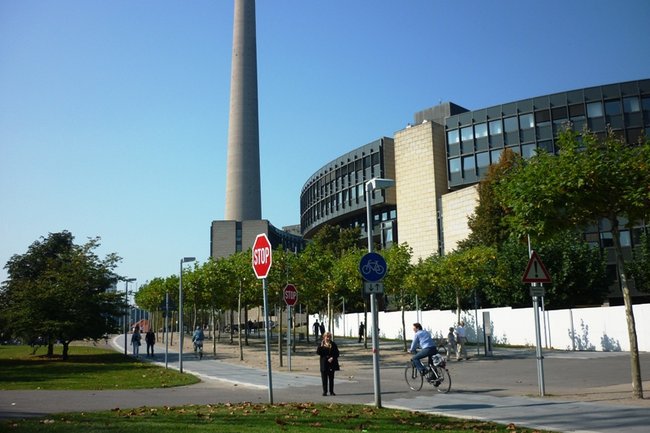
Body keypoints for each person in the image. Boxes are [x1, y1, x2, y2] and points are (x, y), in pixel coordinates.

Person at [316, 332, 340, 396]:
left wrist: (332, 358)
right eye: (327, 337)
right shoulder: (321, 344)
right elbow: (318, 352)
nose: (328, 338)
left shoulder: (333, 344)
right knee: (324, 378)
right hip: (324, 363)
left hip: (331, 363)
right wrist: (320, 347)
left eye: (329, 337)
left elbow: (337, 353)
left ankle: (331, 391)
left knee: (331, 378)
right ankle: (325, 391)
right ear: (324, 337)